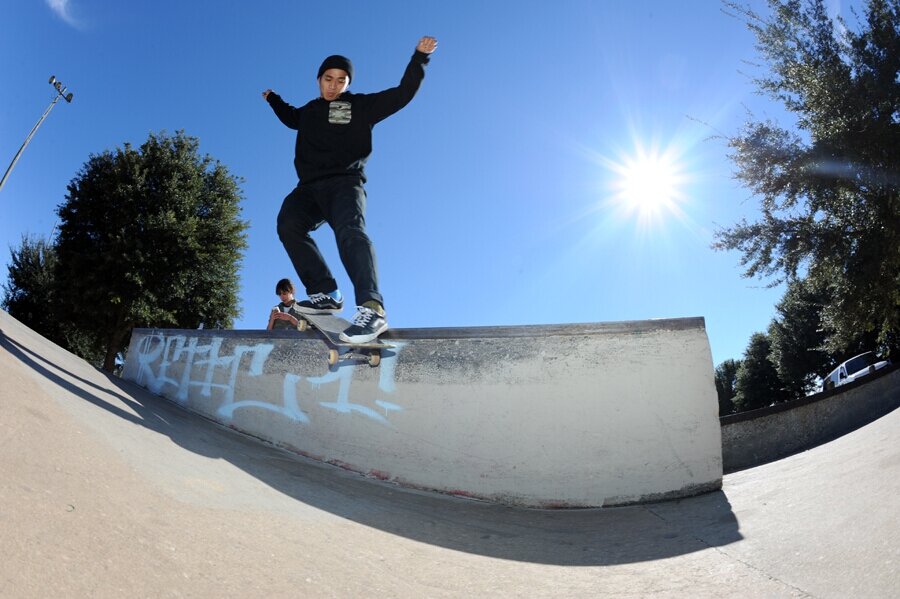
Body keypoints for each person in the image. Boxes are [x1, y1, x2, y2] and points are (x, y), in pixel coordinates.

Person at [262, 36, 438, 343]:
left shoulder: (361, 106)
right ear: (318, 80)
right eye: (328, 79)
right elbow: (289, 117)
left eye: (341, 81)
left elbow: (402, 94)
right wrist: (272, 98)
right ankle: (325, 291)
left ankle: (373, 309)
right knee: (288, 223)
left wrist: (419, 59)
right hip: (309, 189)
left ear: (347, 83)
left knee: (350, 231)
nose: (334, 86)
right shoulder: (308, 112)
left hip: (345, 183)